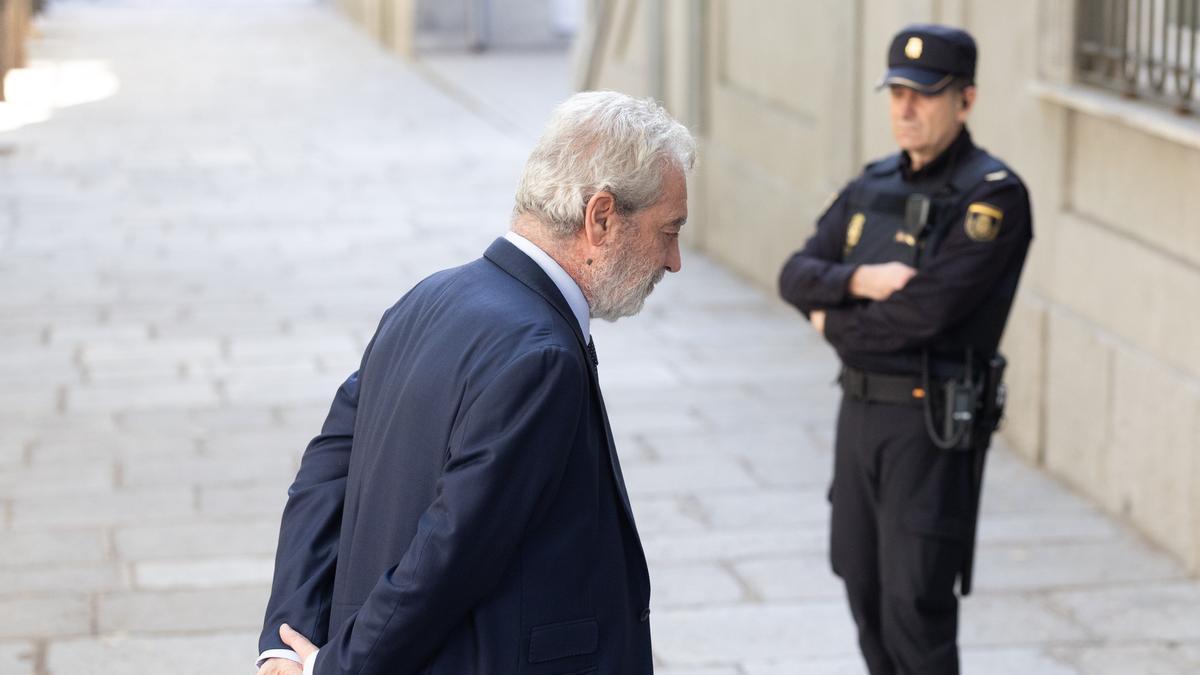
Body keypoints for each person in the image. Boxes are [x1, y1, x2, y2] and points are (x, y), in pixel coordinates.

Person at [254, 90, 694, 675]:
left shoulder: (427, 297)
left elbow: (325, 472)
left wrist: (288, 639)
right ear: (601, 217)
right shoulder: (542, 356)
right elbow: (450, 550)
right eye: (669, 230)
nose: (674, 260)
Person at [778, 24, 1032, 675]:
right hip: (860, 415)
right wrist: (857, 280)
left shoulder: (993, 195)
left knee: (914, 604)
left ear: (966, 100)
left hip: (929, 422)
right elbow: (795, 273)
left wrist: (831, 323)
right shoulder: (873, 183)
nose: (905, 108)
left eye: (924, 94)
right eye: (896, 92)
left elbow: (925, 314)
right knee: (861, 584)